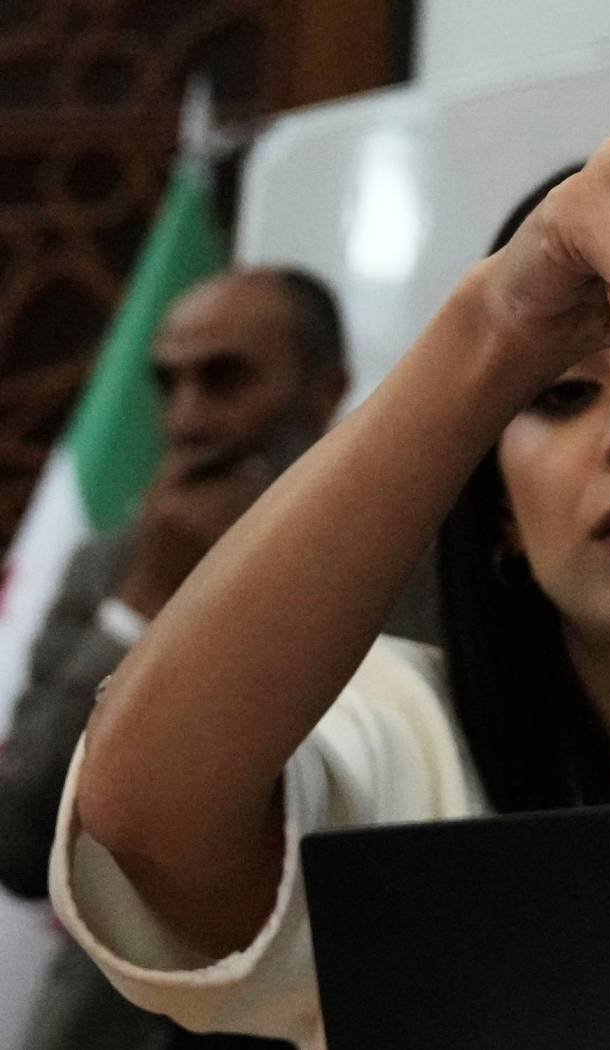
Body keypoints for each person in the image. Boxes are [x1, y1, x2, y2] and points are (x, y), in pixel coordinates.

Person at [47, 103, 610, 1048]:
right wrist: (500, 324)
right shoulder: (401, 732)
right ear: (499, 511)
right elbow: (144, 816)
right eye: (562, 394)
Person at [1, 267, 352, 1049]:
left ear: (326, 392)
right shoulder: (112, 567)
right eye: (169, 384)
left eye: (224, 379)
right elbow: (23, 841)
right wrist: (144, 602)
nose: (188, 419)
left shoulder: (414, 569)